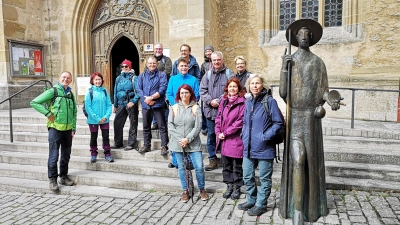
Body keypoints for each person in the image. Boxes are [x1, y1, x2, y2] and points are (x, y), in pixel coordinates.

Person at [279, 19, 340, 224]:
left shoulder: (318, 62)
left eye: (307, 34)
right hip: (295, 118)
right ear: (295, 38)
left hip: (312, 120)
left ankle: (311, 206)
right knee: (297, 160)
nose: (304, 36)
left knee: (310, 165)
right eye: (300, 34)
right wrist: (284, 68)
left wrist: (330, 99)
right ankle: (296, 209)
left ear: (311, 38)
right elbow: (283, 93)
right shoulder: (289, 60)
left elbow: (324, 90)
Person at [238, 74, 284, 216]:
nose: (255, 86)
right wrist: (243, 135)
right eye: (252, 84)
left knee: (264, 178)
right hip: (249, 146)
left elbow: (278, 122)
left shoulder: (269, 101)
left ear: (263, 85)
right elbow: (245, 122)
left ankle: (261, 204)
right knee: (247, 176)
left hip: (265, 147)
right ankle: (251, 199)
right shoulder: (248, 101)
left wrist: (265, 136)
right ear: (248, 86)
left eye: (257, 83)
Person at [30, 71, 77, 191]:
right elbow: (34, 102)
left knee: (66, 155)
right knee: (54, 155)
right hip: (55, 128)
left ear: (70, 80)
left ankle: (63, 176)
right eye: (63, 77)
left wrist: (73, 128)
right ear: (59, 78)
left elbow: (74, 112)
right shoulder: (53, 91)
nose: (65, 79)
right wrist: (47, 113)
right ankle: (52, 179)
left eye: (68, 78)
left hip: (67, 130)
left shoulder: (70, 94)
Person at [168, 84, 208, 202]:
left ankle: (202, 189)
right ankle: (185, 190)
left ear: (190, 94)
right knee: (181, 168)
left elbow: (198, 126)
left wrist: (188, 139)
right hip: (178, 143)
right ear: (179, 95)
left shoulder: (195, 108)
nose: (184, 95)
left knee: (199, 167)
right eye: (182, 93)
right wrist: (181, 139)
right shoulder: (174, 108)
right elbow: (170, 126)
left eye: (186, 92)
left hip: (193, 143)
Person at [200, 51, 234, 171]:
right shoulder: (207, 75)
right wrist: (210, 101)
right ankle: (212, 159)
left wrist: (219, 101)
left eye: (218, 59)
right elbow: (202, 91)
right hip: (210, 112)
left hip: (226, 112)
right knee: (211, 137)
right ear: (211, 61)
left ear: (222, 60)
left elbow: (231, 89)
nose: (216, 62)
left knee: (225, 136)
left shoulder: (229, 74)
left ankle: (226, 161)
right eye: (214, 60)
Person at [215, 77, 246, 200]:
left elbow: (240, 122)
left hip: (235, 139)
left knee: (236, 165)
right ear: (227, 88)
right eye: (230, 86)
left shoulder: (242, 103)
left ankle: (237, 187)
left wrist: (226, 133)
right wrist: (218, 132)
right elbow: (218, 118)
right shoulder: (224, 101)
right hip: (223, 139)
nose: (232, 88)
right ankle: (229, 186)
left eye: (234, 86)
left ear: (238, 89)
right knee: (226, 165)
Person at [166, 58, 200, 168]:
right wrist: (175, 105)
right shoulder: (173, 79)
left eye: (185, 66)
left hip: (190, 108)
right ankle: (176, 160)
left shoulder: (193, 79)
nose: (184, 68)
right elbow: (169, 93)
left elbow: (197, 94)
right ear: (178, 67)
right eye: (181, 66)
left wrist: (190, 104)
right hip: (176, 108)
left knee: (188, 132)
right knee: (175, 133)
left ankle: (189, 160)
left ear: (188, 67)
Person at [137, 56, 169, 155]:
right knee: (146, 126)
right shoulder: (141, 76)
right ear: (146, 64)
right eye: (150, 63)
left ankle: (164, 145)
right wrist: (146, 99)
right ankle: (147, 145)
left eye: (154, 63)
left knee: (162, 126)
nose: (152, 65)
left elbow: (162, 88)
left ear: (157, 64)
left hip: (158, 104)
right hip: (146, 105)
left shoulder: (162, 75)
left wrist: (151, 98)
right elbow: (138, 89)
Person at [84, 72, 113, 163]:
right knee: (93, 137)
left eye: (99, 79)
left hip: (104, 119)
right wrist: (97, 118)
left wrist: (106, 116)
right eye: (96, 79)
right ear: (92, 81)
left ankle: (107, 154)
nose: (98, 81)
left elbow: (109, 105)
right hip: (93, 120)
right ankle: (93, 154)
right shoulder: (89, 92)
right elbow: (88, 107)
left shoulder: (105, 91)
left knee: (106, 137)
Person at [112, 59, 139, 151]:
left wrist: (134, 101)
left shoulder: (134, 78)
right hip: (120, 104)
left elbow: (139, 92)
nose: (124, 68)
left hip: (130, 103)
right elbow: (115, 92)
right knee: (117, 123)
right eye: (122, 66)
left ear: (130, 67)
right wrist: (115, 105)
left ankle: (131, 143)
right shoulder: (118, 78)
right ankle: (118, 143)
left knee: (133, 124)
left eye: (126, 66)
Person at [145, 43, 172, 130]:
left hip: (164, 85)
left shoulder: (167, 60)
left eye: (159, 49)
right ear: (154, 50)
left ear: (162, 50)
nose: (158, 50)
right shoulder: (149, 60)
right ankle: (155, 123)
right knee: (153, 102)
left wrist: (158, 76)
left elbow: (168, 70)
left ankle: (165, 121)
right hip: (152, 86)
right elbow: (146, 71)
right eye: (156, 49)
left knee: (164, 103)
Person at [200, 45, 214, 135]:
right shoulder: (203, 65)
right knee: (204, 108)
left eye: (210, 51)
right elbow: (201, 76)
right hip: (206, 88)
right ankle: (204, 127)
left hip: (214, 88)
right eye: (206, 51)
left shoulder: (215, 62)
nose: (208, 53)